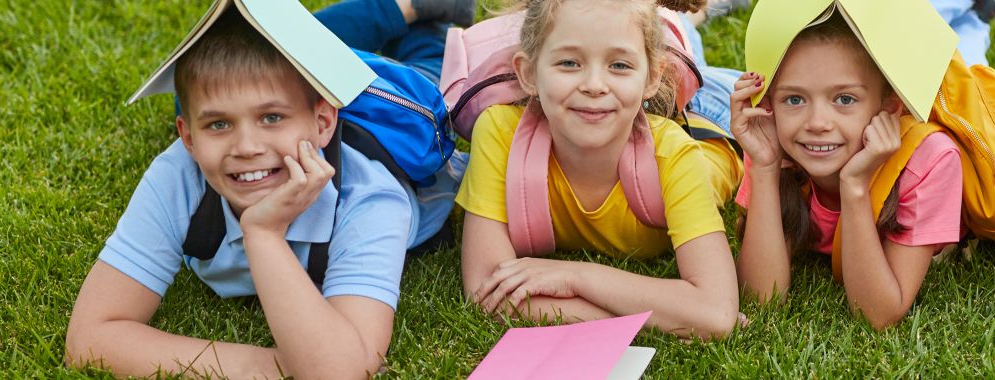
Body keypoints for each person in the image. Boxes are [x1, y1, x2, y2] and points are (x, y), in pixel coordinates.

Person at [63, 1, 464, 377]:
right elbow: (89, 340)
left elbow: (343, 369)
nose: (247, 147)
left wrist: (263, 233)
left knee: (428, 65)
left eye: (271, 118)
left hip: (397, 111)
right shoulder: (178, 174)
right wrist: (266, 366)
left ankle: (416, 13)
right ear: (186, 140)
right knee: (227, 73)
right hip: (297, 103)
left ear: (323, 123)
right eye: (218, 125)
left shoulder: (370, 197)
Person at [456, 0, 742, 340]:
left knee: (683, 46)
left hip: (714, 112)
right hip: (637, 98)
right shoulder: (501, 132)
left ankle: (695, 16)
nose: (594, 84)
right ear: (528, 73)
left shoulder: (675, 155)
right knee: (637, 31)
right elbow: (486, 291)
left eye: (618, 65)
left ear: (653, 77)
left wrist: (574, 277)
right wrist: (665, 316)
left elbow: (715, 312)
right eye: (569, 63)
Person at [731, 14, 965, 330]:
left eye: (844, 99)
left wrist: (854, 186)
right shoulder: (772, 144)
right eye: (794, 99)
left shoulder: (930, 161)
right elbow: (762, 300)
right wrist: (764, 167)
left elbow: (878, 316)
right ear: (770, 104)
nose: (816, 123)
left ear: (890, 106)